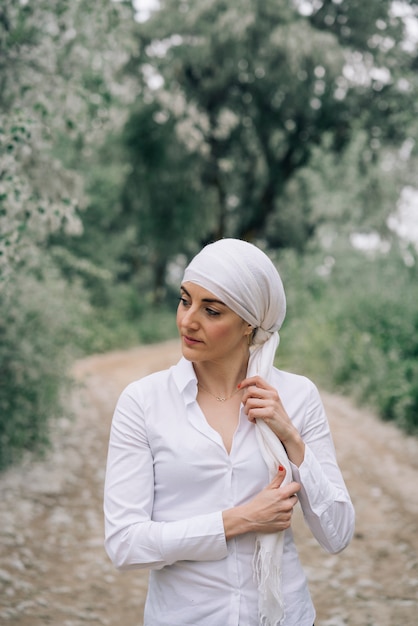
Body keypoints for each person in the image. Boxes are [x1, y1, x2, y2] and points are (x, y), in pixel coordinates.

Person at [104, 238, 355, 626]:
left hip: (284, 616)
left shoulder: (297, 396)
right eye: (185, 300)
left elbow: (337, 534)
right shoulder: (143, 402)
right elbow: (125, 544)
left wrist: (291, 439)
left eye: (212, 310)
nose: (188, 320)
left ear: (248, 323)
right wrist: (240, 520)